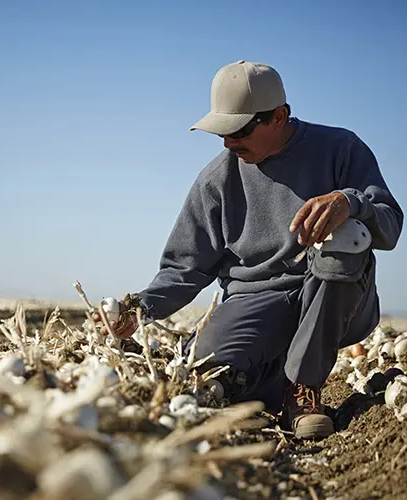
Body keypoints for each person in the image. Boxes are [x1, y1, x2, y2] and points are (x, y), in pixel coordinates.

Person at [94, 60, 403, 439]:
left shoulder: (341, 149)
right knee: (203, 375)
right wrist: (139, 309)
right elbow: (184, 268)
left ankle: (303, 392)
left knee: (347, 234)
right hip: (257, 302)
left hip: (338, 299)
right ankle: (272, 384)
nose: (229, 143)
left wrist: (350, 202)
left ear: (279, 116)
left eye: (239, 130)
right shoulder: (216, 180)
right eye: (221, 132)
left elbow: (389, 227)